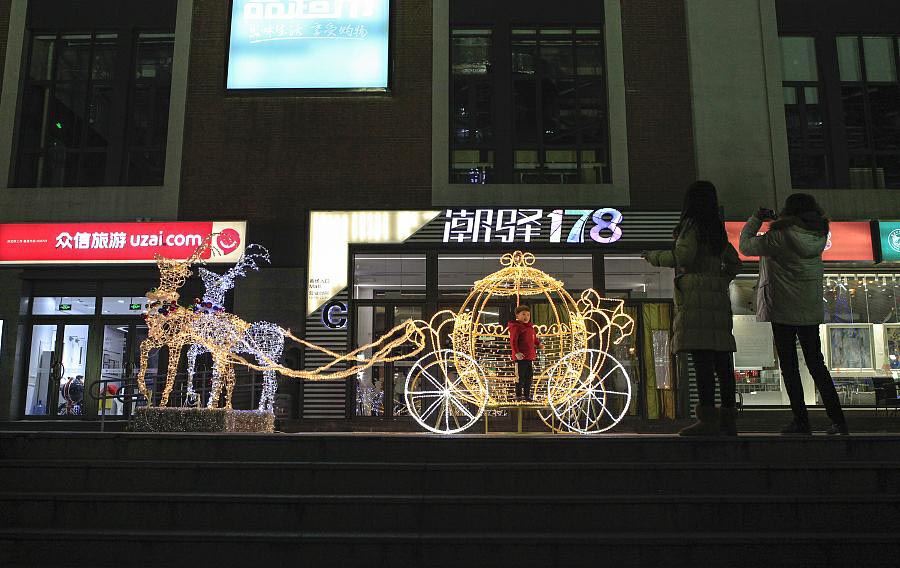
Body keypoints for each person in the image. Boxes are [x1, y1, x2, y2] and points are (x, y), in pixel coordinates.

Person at [739, 194, 849, 435]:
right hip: (809, 310)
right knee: (817, 365)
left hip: (782, 309)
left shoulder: (779, 236)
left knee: (789, 367)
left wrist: (757, 218)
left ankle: (801, 421)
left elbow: (746, 246)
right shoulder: (818, 235)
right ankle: (839, 421)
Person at [644, 181, 742, 436]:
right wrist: (720, 280)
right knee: (722, 362)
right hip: (717, 300)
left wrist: (653, 256)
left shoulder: (691, 227)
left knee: (702, 362)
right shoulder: (717, 231)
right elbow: (734, 263)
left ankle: (707, 419)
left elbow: (683, 257)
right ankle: (728, 419)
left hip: (696, 299)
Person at [508, 305, 541, 402]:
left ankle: (527, 395)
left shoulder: (530, 328)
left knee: (528, 377)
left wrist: (539, 344)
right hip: (520, 358)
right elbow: (513, 341)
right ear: (517, 316)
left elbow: (534, 339)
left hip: (529, 357)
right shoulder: (516, 327)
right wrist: (517, 352)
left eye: (528, 314)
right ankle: (518, 395)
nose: (526, 316)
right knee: (519, 377)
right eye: (523, 314)